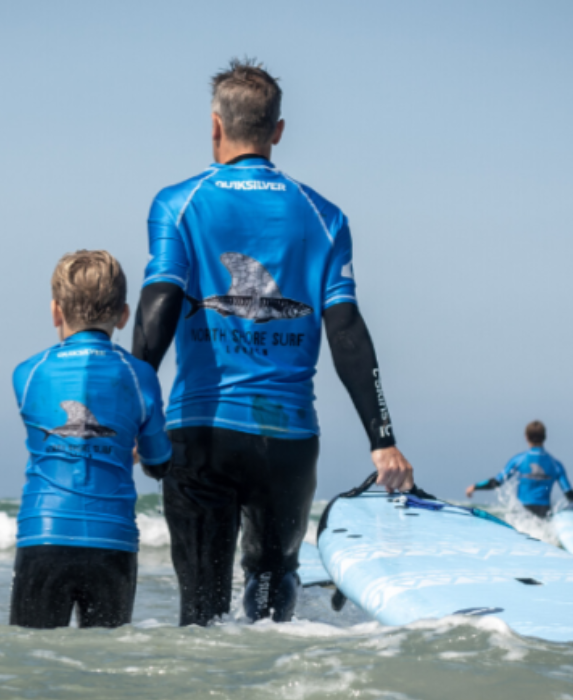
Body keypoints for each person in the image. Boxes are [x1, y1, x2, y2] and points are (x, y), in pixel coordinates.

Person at [132, 59, 414, 626]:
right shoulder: (325, 216)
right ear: (278, 130)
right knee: (271, 591)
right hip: (286, 441)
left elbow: (159, 304)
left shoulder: (179, 203)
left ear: (216, 126)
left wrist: (136, 410)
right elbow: (347, 329)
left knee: (202, 612)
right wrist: (382, 439)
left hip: (201, 433)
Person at [10, 251, 171, 629]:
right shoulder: (140, 375)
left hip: (43, 534)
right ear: (124, 315)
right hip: (112, 542)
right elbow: (159, 461)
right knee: (103, 670)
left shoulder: (27, 373)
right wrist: (134, 454)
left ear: (55, 311)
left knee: (33, 667)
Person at [464, 421, 573, 519]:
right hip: (545, 514)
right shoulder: (556, 464)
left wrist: (475, 487)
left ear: (526, 437)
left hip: (521, 514)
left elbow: (497, 482)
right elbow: (568, 493)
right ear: (545, 437)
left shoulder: (518, 460)